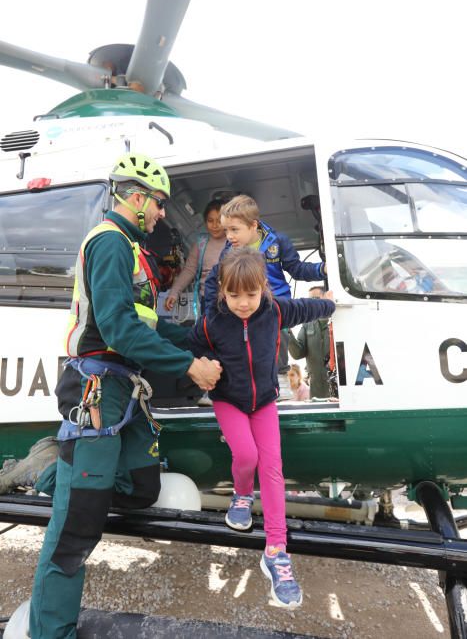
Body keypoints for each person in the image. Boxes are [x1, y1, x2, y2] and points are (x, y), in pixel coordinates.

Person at [28, 152, 222, 639]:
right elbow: (116, 327)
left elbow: (144, 325)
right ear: (137, 197)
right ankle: (51, 632)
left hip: (127, 392)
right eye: (159, 204)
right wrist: (188, 366)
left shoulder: (134, 252)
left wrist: (203, 339)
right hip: (97, 392)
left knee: (143, 487)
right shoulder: (111, 244)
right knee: (76, 533)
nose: (161, 214)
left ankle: (54, 474)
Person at [189, 246, 335, 609]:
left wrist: (330, 303)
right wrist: (199, 367)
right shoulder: (211, 322)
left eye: (251, 294)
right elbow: (189, 348)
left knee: (272, 469)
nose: (243, 303)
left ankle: (276, 552)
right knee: (246, 455)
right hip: (228, 400)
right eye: (234, 294)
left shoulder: (274, 310)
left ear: (263, 290)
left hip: (265, 401)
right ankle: (240, 496)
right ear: (222, 289)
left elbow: (308, 308)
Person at [204, 194, 327, 375]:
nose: (229, 236)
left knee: (277, 355)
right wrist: (214, 315)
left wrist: (322, 269)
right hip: (245, 313)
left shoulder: (278, 241)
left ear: (253, 225)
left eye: (234, 230)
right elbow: (220, 283)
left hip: (275, 306)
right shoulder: (228, 251)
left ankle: (282, 384)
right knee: (246, 358)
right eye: (226, 231)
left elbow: (297, 269)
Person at [164, 199, 226, 319]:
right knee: (209, 335)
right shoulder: (201, 244)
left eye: (219, 221)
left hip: (233, 299)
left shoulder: (235, 241)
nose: (215, 225)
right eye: (210, 221)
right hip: (207, 300)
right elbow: (189, 270)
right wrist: (174, 293)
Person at [288, 284, 335, 399]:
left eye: (315, 299)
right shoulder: (307, 324)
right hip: (317, 390)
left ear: (327, 297)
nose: (312, 303)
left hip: (337, 388)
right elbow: (298, 353)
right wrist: (287, 332)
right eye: (310, 300)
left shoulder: (338, 321)